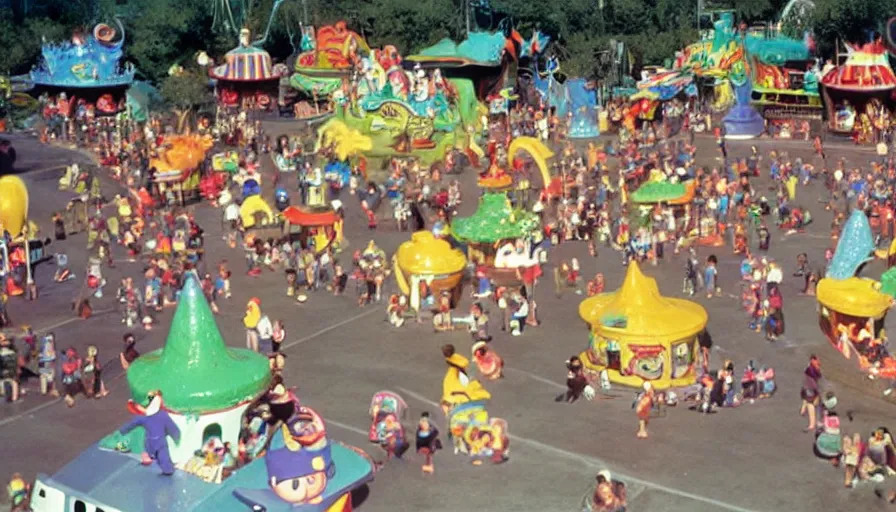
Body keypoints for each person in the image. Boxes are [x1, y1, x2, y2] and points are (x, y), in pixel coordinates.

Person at [800, 355, 823, 432]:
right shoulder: (812, 370)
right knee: (815, 405)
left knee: (811, 404)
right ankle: (816, 423)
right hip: (811, 388)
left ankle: (813, 424)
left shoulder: (810, 369)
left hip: (810, 388)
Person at [0, 334, 21, 402]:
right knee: (14, 381)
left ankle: (9, 395)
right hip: (11, 363)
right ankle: (14, 397)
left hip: (6, 362)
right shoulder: (13, 351)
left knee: (9, 380)